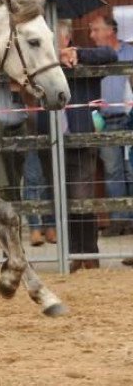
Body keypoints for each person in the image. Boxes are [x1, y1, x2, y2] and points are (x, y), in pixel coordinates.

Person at [37, 19, 118, 272]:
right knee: (61, 199)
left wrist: (77, 54)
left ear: (65, 39)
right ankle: (72, 254)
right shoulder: (38, 60)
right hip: (50, 139)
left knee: (82, 198)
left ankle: (89, 254)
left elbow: (110, 54)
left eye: (53, 38)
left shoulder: (82, 55)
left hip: (80, 137)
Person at [89, 15, 133, 238]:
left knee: (130, 170)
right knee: (113, 171)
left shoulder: (129, 53)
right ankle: (118, 220)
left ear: (111, 31)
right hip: (106, 121)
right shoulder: (95, 57)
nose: (92, 35)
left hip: (130, 119)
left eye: (96, 29)